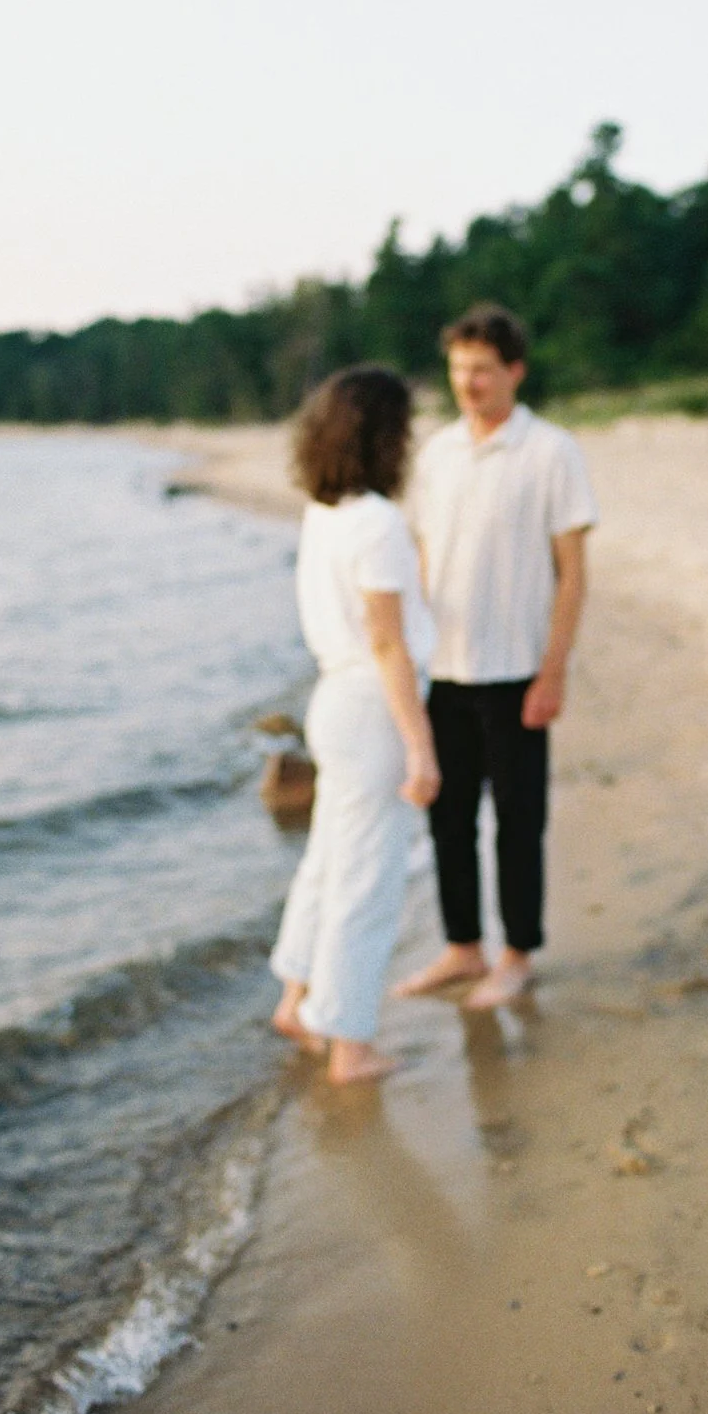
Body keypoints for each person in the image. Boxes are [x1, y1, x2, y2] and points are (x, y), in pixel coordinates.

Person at [389, 303, 597, 1010]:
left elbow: (572, 571)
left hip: (517, 672)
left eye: (481, 369)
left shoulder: (551, 451)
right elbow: (420, 555)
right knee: (447, 819)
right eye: (457, 370)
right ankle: (461, 948)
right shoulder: (437, 453)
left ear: (515, 370)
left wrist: (554, 669)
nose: (468, 383)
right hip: (442, 670)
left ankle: (517, 955)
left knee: (517, 820)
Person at [268, 364, 440, 1085]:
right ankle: (350, 1045)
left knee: (328, 862)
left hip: (333, 701)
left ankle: (297, 997)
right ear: (386, 436)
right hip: (372, 708)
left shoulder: (324, 511)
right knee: (365, 881)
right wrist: (421, 748)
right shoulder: (376, 521)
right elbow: (387, 641)